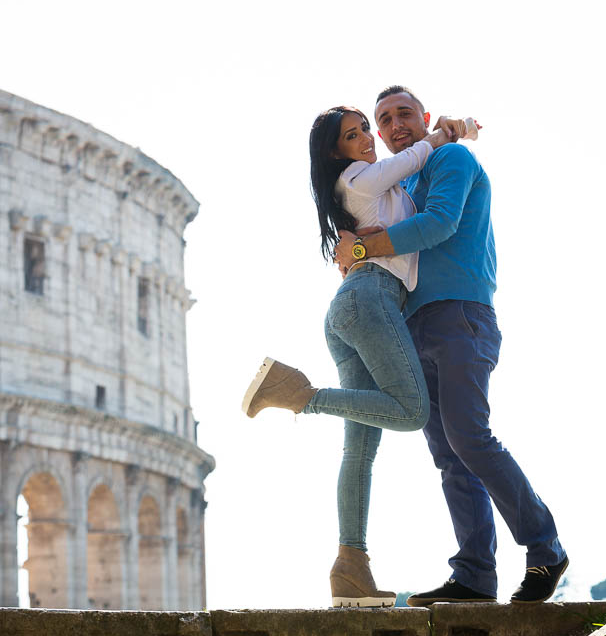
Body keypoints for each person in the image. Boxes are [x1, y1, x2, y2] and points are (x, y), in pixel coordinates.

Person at [334, 86, 568, 605]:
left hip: (462, 312)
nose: (395, 126)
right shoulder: (402, 182)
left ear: (425, 118)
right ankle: (475, 576)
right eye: (383, 120)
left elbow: (439, 225)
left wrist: (363, 246)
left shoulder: (454, 158)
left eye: (403, 114)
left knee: (470, 438)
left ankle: (545, 549)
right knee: (448, 454)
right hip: (413, 325)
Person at [241, 105, 467, 607]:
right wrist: (438, 136)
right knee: (411, 413)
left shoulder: (374, 189)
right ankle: (300, 394)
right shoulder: (359, 177)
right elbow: (411, 159)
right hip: (371, 301)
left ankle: (351, 569)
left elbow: (408, 189)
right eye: (354, 133)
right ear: (334, 151)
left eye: (367, 129)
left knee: (359, 452)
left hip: (355, 306)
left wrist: (455, 132)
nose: (367, 137)